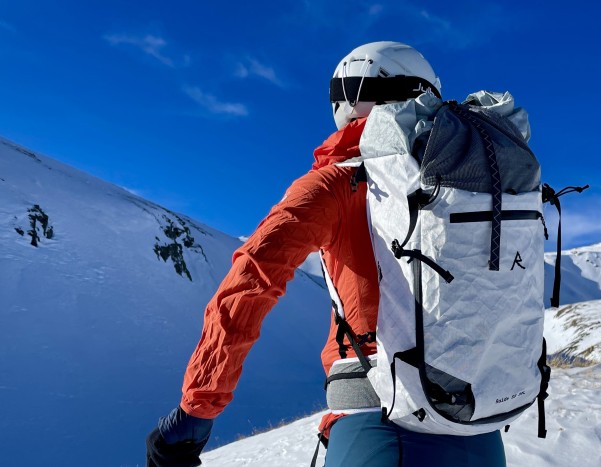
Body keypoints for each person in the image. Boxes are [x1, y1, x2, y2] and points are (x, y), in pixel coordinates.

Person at [146, 41, 507, 467]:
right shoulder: (476, 184)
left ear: (348, 100)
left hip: (377, 422)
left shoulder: (339, 182)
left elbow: (252, 280)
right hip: (477, 424)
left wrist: (197, 410)